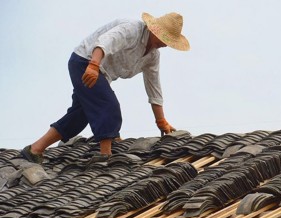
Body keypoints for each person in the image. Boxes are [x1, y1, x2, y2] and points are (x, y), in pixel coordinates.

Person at [21, 12, 190, 164]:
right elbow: (105, 42)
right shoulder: (133, 30)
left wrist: (161, 121)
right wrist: (93, 65)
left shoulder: (152, 56)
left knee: (79, 116)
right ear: (155, 31)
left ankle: (35, 149)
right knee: (108, 105)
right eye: (165, 39)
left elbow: (154, 87)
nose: (166, 45)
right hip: (85, 62)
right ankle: (106, 155)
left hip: (100, 73)